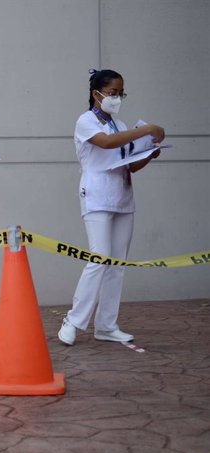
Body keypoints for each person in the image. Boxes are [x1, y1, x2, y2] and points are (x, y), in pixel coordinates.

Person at [58, 69, 165, 346]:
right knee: (99, 257)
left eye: (121, 93)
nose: (117, 98)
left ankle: (106, 324)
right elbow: (105, 144)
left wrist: (149, 154)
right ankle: (74, 320)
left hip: (122, 194)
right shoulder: (85, 121)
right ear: (97, 94)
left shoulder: (119, 124)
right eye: (113, 93)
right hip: (96, 194)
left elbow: (130, 164)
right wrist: (144, 130)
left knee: (117, 263)